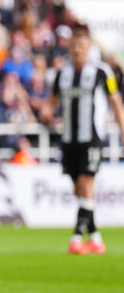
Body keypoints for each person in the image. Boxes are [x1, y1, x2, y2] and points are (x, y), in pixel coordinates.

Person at [42, 25, 124, 255]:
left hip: (92, 138)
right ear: (69, 47)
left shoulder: (102, 72)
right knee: (79, 188)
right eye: (74, 45)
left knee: (87, 183)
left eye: (82, 45)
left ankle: (77, 237)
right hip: (69, 139)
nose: (77, 49)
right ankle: (96, 237)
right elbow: (52, 99)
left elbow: (115, 101)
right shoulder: (62, 74)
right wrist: (47, 110)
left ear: (89, 47)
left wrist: (123, 129)